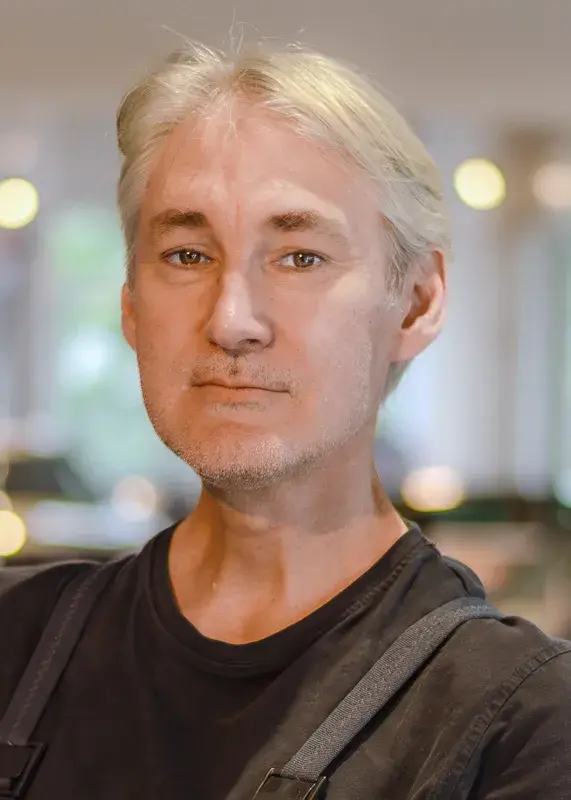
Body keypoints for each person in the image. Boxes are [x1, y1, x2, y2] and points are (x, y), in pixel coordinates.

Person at [1, 41, 570, 800]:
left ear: (417, 302)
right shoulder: (18, 644)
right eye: (187, 255)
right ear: (130, 303)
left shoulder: (520, 724)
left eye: (300, 256)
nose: (231, 320)